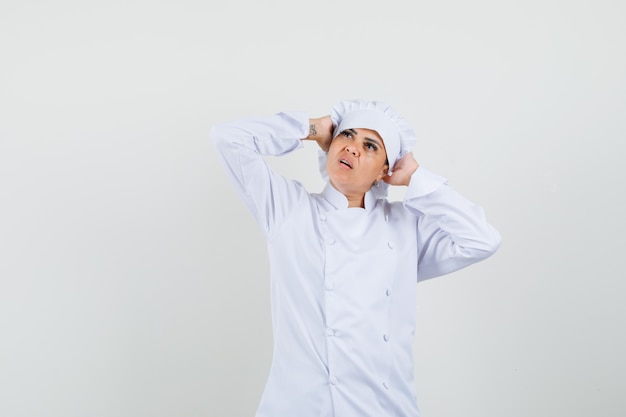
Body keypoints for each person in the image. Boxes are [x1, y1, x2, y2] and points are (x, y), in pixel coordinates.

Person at [210, 99, 501, 417]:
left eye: (370, 145)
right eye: (346, 135)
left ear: (385, 171)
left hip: (382, 408)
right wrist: (310, 128)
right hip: (298, 407)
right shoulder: (288, 210)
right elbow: (228, 138)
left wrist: (415, 177)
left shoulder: (405, 227)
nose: (351, 147)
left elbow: (482, 239)